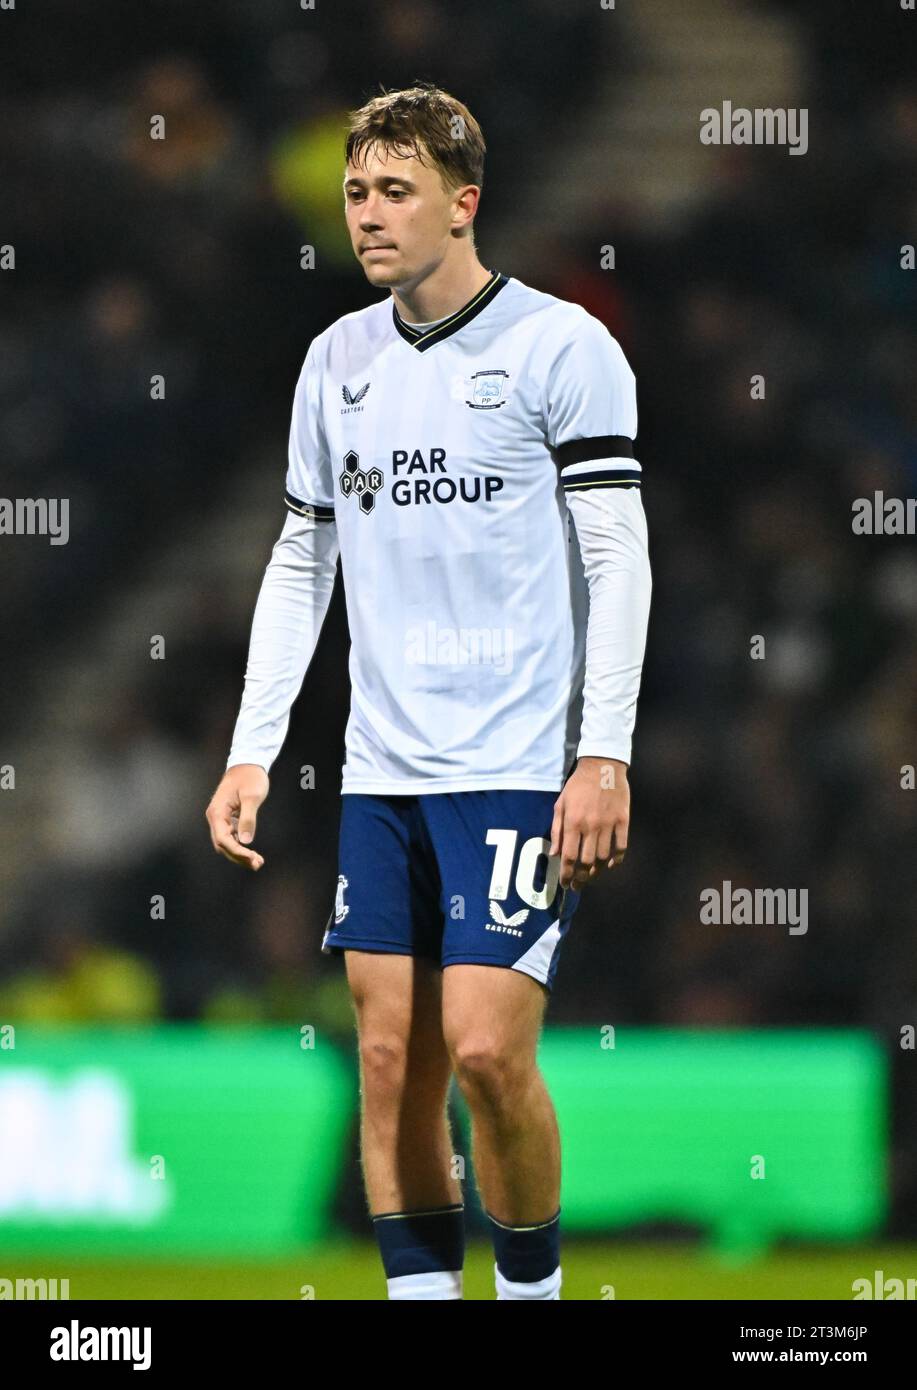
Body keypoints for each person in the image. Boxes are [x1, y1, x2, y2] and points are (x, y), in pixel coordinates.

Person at [205, 82, 652, 1301]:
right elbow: (301, 561)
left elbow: (618, 559)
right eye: (355, 191)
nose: (368, 214)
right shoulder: (332, 362)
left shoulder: (561, 348)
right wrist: (254, 748)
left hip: (513, 764)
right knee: (391, 1053)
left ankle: (528, 1292)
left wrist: (599, 753)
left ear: (463, 205)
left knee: (485, 1054)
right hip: (379, 770)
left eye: (395, 191)